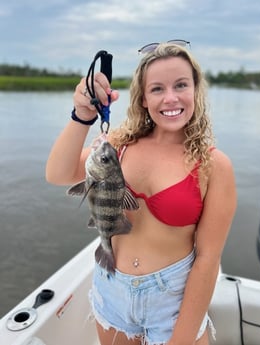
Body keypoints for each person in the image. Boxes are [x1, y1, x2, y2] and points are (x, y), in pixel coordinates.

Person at [46, 40, 237, 345]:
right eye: (157, 88)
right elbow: (58, 174)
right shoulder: (119, 143)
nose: (170, 97)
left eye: (181, 85)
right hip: (112, 289)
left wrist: (181, 339)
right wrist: (82, 114)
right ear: (144, 98)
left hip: (173, 301)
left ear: (196, 91)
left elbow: (207, 258)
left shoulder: (214, 165)